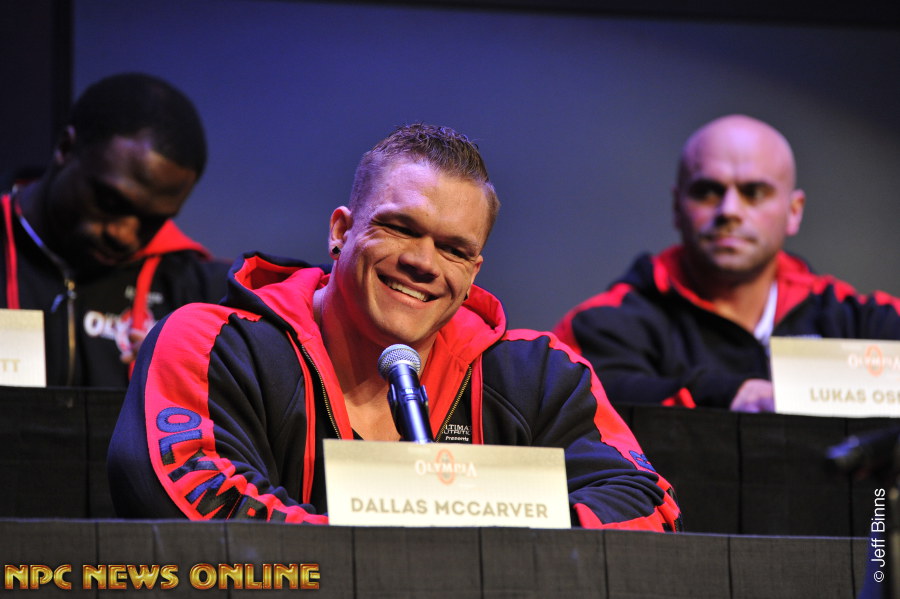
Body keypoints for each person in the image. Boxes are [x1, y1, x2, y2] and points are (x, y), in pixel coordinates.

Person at [108, 123, 681, 530]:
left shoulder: (539, 374)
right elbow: (189, 496)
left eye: (454, 249)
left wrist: (505, 553)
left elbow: (646, 506)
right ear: (341, 231)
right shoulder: (211, 342)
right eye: (401, 228)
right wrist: (404, 559)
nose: (423, 262)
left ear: (474, 270)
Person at [554, 114, 900, 412]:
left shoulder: (854, 319)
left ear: (794, 212)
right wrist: (731, 394)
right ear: (676, 207)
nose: (729, 211)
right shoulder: (603, 326)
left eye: (754, 192)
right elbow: (581, 405)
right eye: (707, 191)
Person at [1, 72, 230, 387]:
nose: (125, 236)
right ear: (66, 148)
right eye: (110, 201)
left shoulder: (195, 296)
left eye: (153, 221)